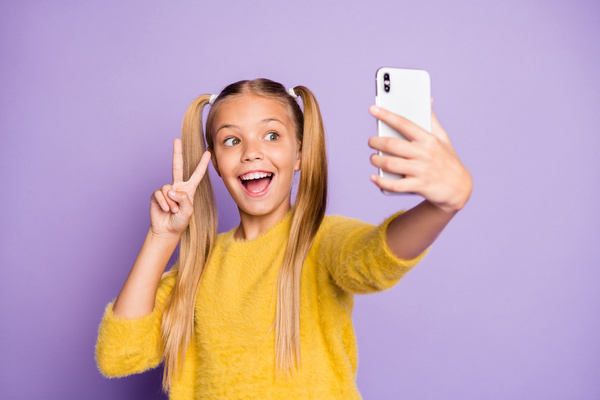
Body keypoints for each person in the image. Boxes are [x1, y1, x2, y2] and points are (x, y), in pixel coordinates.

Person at [95, 78, 472, 399]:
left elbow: (374, 259)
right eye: (232, 141)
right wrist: (162, 236)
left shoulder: (322, 240)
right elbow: (119, 355)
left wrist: (441, 207)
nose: (251, 153)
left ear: (300, 154)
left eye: (272, 135)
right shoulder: (198, 267)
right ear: (215, 163)